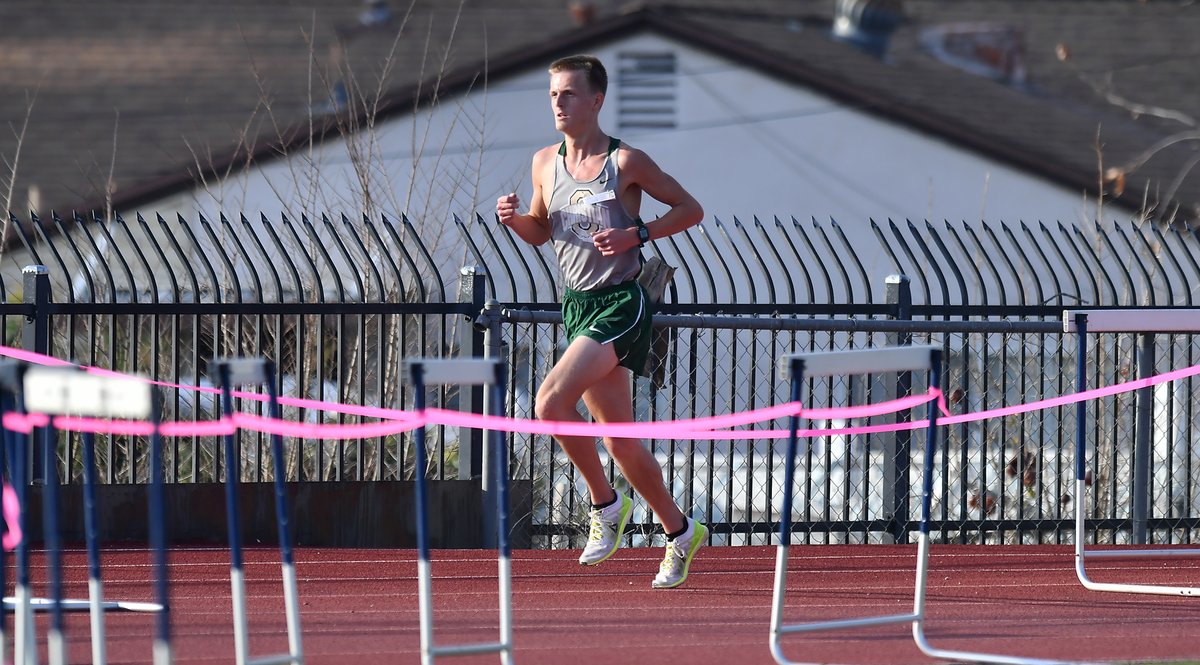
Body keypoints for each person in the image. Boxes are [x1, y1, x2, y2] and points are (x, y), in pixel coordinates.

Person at [495, 54, 706, 589]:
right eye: (552, 95)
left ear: (596, 101)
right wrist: (514, 220)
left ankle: (605, 504)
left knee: (549, 403)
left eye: (568, 94)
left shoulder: (626, 161)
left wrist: (639, 234)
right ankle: (680, 532)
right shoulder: (545, 162)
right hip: (579, 305)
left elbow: (691, 208)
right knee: (619, 440)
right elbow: (542, 231)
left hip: (621, 303)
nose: (558, 104)